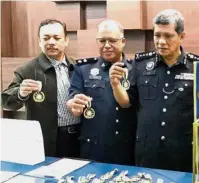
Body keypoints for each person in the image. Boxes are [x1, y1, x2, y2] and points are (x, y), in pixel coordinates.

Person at [110, 9, 199, 172]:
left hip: (183, 152)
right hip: (148, 150)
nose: (161, 41)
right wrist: (116, 84)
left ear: (181, 36)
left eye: (168, 36)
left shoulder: (198, 68)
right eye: (157, 35)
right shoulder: (141, 64)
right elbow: (126, 102)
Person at [2, 19, 80, 158]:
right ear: (39, 41)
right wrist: (20, 93)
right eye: (46, 38)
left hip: (78, 136)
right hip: (46, 138)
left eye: (56, 38)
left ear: (66, 40)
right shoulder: (27, 70)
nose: (51, 42)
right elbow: (5, 101)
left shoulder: (78, 67)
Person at [66, 20, 137, 165]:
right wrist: (73, 105)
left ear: (123, 41)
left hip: (126, 146)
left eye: (112, 40)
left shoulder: (135, 69)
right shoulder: (83, 68)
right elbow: (73, 96)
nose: (106, 45)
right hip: (93, 146)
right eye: (102, 41)